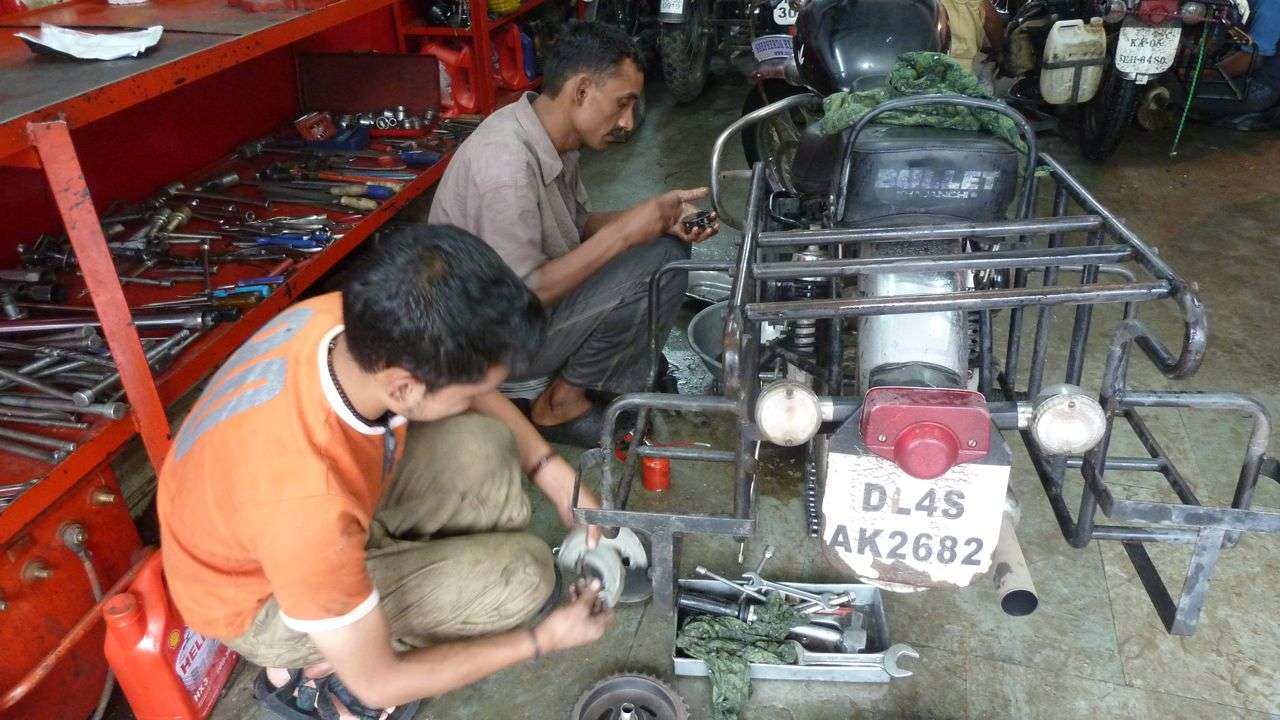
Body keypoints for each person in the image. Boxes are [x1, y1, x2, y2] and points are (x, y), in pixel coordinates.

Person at [157, 225, 613, 720]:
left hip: (285, 517)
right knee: (524, 577)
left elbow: (472, 386)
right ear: (403, 389)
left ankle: (359, 598)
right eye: (467, 391)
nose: (480, 396)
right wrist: (543, 640)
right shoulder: (305, 505)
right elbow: (380, 684)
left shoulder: (347, 321)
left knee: (486, 446)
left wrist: (552, 472)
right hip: (260, 597)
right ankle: (316, 666)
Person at [428, 20, 721, 448]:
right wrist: (626, 234)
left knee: (664, 245)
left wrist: (656, 219)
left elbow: (577, 224)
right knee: (656, 261)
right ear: (582, 90)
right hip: (490, 345)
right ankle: (559, 403)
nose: (627, 122)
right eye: (622, 104)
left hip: (521, 317)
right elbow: (521, 296)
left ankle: (596, 377)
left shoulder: (549, 136)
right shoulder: (505, 166)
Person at [1188, 0, 1280, 129]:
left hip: (1260, 87)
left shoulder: (1271, 5)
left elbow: (1252, 59)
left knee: (1176, 93)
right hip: (1241, 76)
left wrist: (1201, 73)